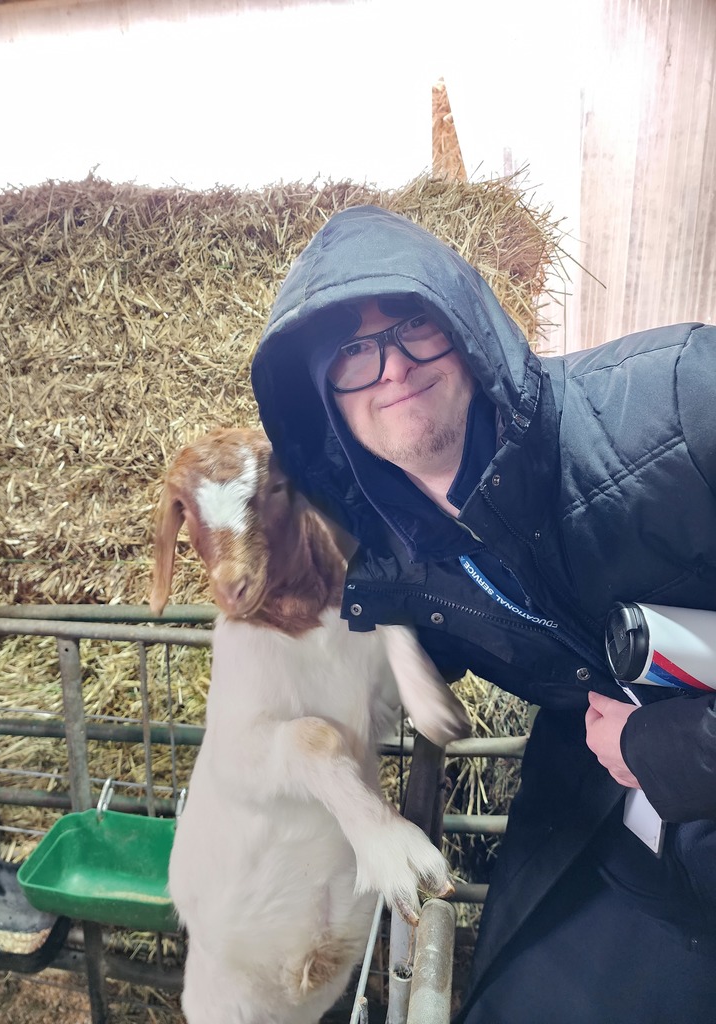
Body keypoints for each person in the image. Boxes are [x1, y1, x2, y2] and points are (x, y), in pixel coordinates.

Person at [250, 204, 716, 1023]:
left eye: (411, 324)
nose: (390, 367)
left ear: (466, 329)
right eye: (353, 352)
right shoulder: (396, 569)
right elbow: (314, 690)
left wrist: (681, 749)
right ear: (324, 398)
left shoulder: (682, 402)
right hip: (603, 834)